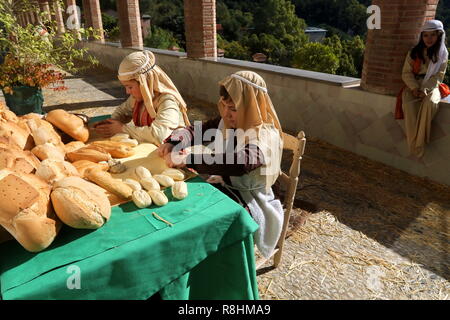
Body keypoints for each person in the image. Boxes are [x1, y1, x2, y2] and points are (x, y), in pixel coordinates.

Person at [158, 70, 284, 258]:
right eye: (224, 106)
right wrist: (174, 141)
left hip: (251, 198)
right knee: (183, 209)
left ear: (252, 106)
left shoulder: (265, 134)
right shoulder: (227, 122)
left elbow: (241, 163)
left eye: (233, 108)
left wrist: (189, 159)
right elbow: (196, 130)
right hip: (226, 184)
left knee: (200, 224)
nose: (226, 114)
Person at [93, 50, 190, 145]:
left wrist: (122, 128)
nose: (127, 92)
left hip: (174, 155)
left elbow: (160, 135)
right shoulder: (137, 98)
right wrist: (111, 124)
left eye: (130, 87)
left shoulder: (167, 101)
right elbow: (122, 111)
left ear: (145, 83)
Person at [396, 19, 449, 158]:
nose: (429, 39)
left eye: (432, 35)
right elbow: (406, 73)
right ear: (422, 36)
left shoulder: (442, 55)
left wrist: (425, 89)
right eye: (426, 35)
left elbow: (439, 76)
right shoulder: (414, 52)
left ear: (439, 36)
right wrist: (414, 88)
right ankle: (414, 145)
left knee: (429, 103)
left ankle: (419, 144)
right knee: (408, 105)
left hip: (432, 85)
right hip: (414, 84)